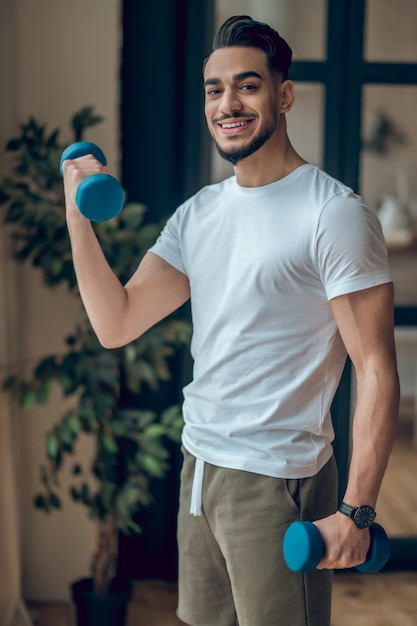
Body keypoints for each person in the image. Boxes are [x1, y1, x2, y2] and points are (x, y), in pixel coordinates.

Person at [62, 14, 400, 626]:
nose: (228, 104)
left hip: (277, 481)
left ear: (284, 94)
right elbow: (116, 323)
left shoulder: (333, 214)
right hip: (200, 468)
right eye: (215, 90)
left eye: (247, 85)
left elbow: (375, 365)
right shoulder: (200, 214)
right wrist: (76, 217)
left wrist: (357, 512)